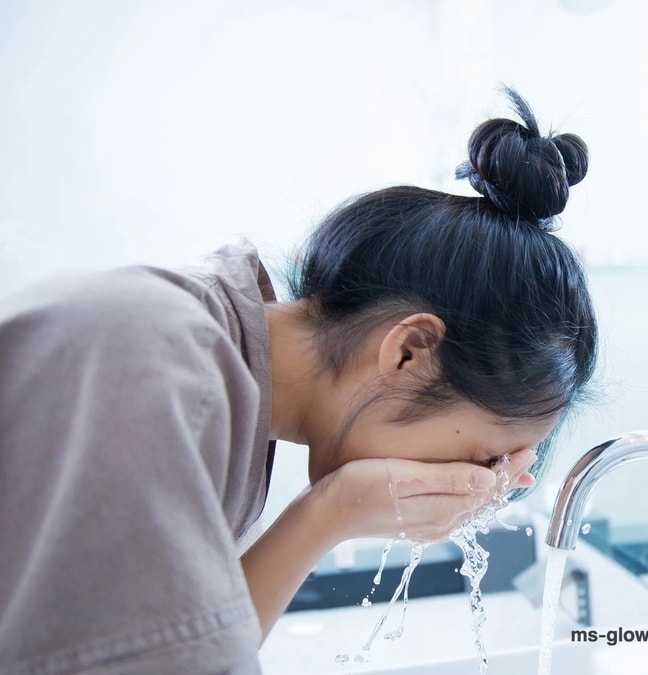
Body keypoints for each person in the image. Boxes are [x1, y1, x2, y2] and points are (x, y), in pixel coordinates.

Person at [0, 88, 597, 674]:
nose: (483, 485)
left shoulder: (221, 382)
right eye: (486, 457)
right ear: (409, 352)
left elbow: (190, 649)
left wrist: (329, 515)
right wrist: (328, 515)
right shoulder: (160, 357)